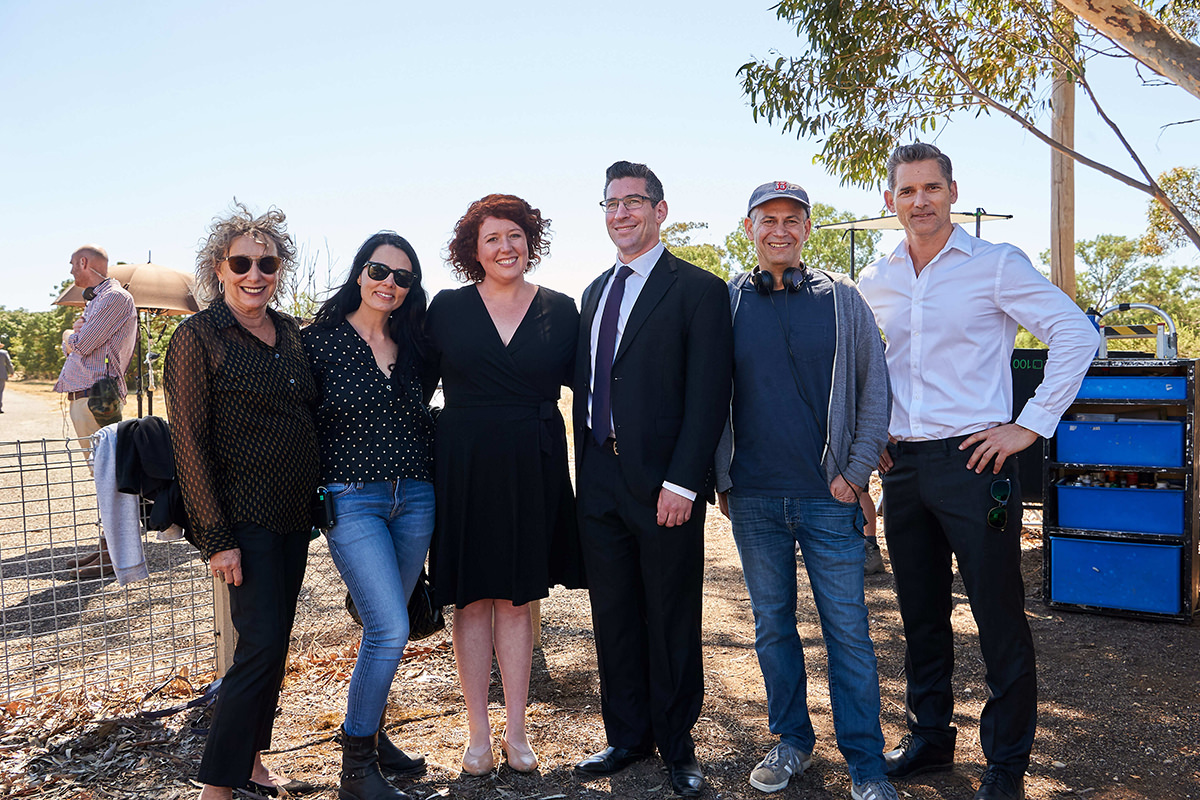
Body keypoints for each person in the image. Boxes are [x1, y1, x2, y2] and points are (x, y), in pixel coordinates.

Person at [857, 143, 1099, 800]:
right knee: (922, 615)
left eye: (931, 188)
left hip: (977, 466)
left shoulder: (995, 266)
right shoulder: (876, 278)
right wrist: (870, 434)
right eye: (907, 191)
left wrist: (1030, 424)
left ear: (952, 191)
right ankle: (931, 739)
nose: (920, 201)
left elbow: (1077, 334)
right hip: (903, 469)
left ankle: (1006, 765)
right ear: (890, 201)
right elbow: (866, 366)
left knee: (998, 615)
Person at [713, 181, 896, 800]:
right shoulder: (727, 304)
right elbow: (707, 395)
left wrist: (857, 471)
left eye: (793, 220)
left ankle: (866, 767)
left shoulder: (844, 302)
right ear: (749, 228)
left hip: (829, 497)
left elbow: (875, 390)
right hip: (755, 500)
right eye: (768, 220)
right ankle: (791, 741)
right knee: (772, 628)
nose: (780, 231)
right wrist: (722, 476)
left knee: (847, 631)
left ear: (808, 229)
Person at [572, 161, 733, 798]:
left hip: (665, 482)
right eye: (611, 203)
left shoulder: (697, 290)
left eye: (634, 202)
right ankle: (627, 735)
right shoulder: (592, 292)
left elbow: (709, 396)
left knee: (669, 612)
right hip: (600, 477)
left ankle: (676, 743)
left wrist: (685, 482)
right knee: (612, 612)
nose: (621, 213)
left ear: (660, 210)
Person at [164, 203, 320, 800]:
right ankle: (217, 786)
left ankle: (253, 762)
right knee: (257, 648)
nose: (255, 273)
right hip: (243, 520)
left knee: (274, 644)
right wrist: (217, 537)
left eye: (267, 262)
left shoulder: (291, 333)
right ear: (219, 268)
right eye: (241, 262)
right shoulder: (198, 337)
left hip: (292, 518)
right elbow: (190, 443)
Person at [426, 194, 583, 776]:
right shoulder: (444, 309)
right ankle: (477, 736)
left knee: (518, 599)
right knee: (471, 600)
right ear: (474, 249)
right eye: (492, 238)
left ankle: (517, 733)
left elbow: (596, 393)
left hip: (533, 462)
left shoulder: (563, 311)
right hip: (463, 463)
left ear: (530, 240)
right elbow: (409, 386)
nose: (505, 247)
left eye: (515, 235)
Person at [303, 232, 435, 800]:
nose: (390, 283)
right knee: (390, 628)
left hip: (417, 499)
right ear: (360, 272)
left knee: (383, 628)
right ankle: (356, 773)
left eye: (403, 277)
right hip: (353, 498)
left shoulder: (417, 346)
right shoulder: (317, 344)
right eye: (381, 270)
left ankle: (372, 735)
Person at [55, 245, 137, 578]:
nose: (71, 270)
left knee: (110, 478)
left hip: (96, 397)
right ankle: (108, 550)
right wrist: (77, 331)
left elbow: (83, 343)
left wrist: (69, 334)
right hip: (89, 397)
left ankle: (114, 555)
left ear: (84, 263)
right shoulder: (100, 300)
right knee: (103, 478)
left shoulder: (113, 298)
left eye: (73, 264)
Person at [0, 341, 13, 412]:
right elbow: (9, 363)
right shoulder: (4, 353)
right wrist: (11, 372)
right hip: (1, 374)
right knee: (0, 391)